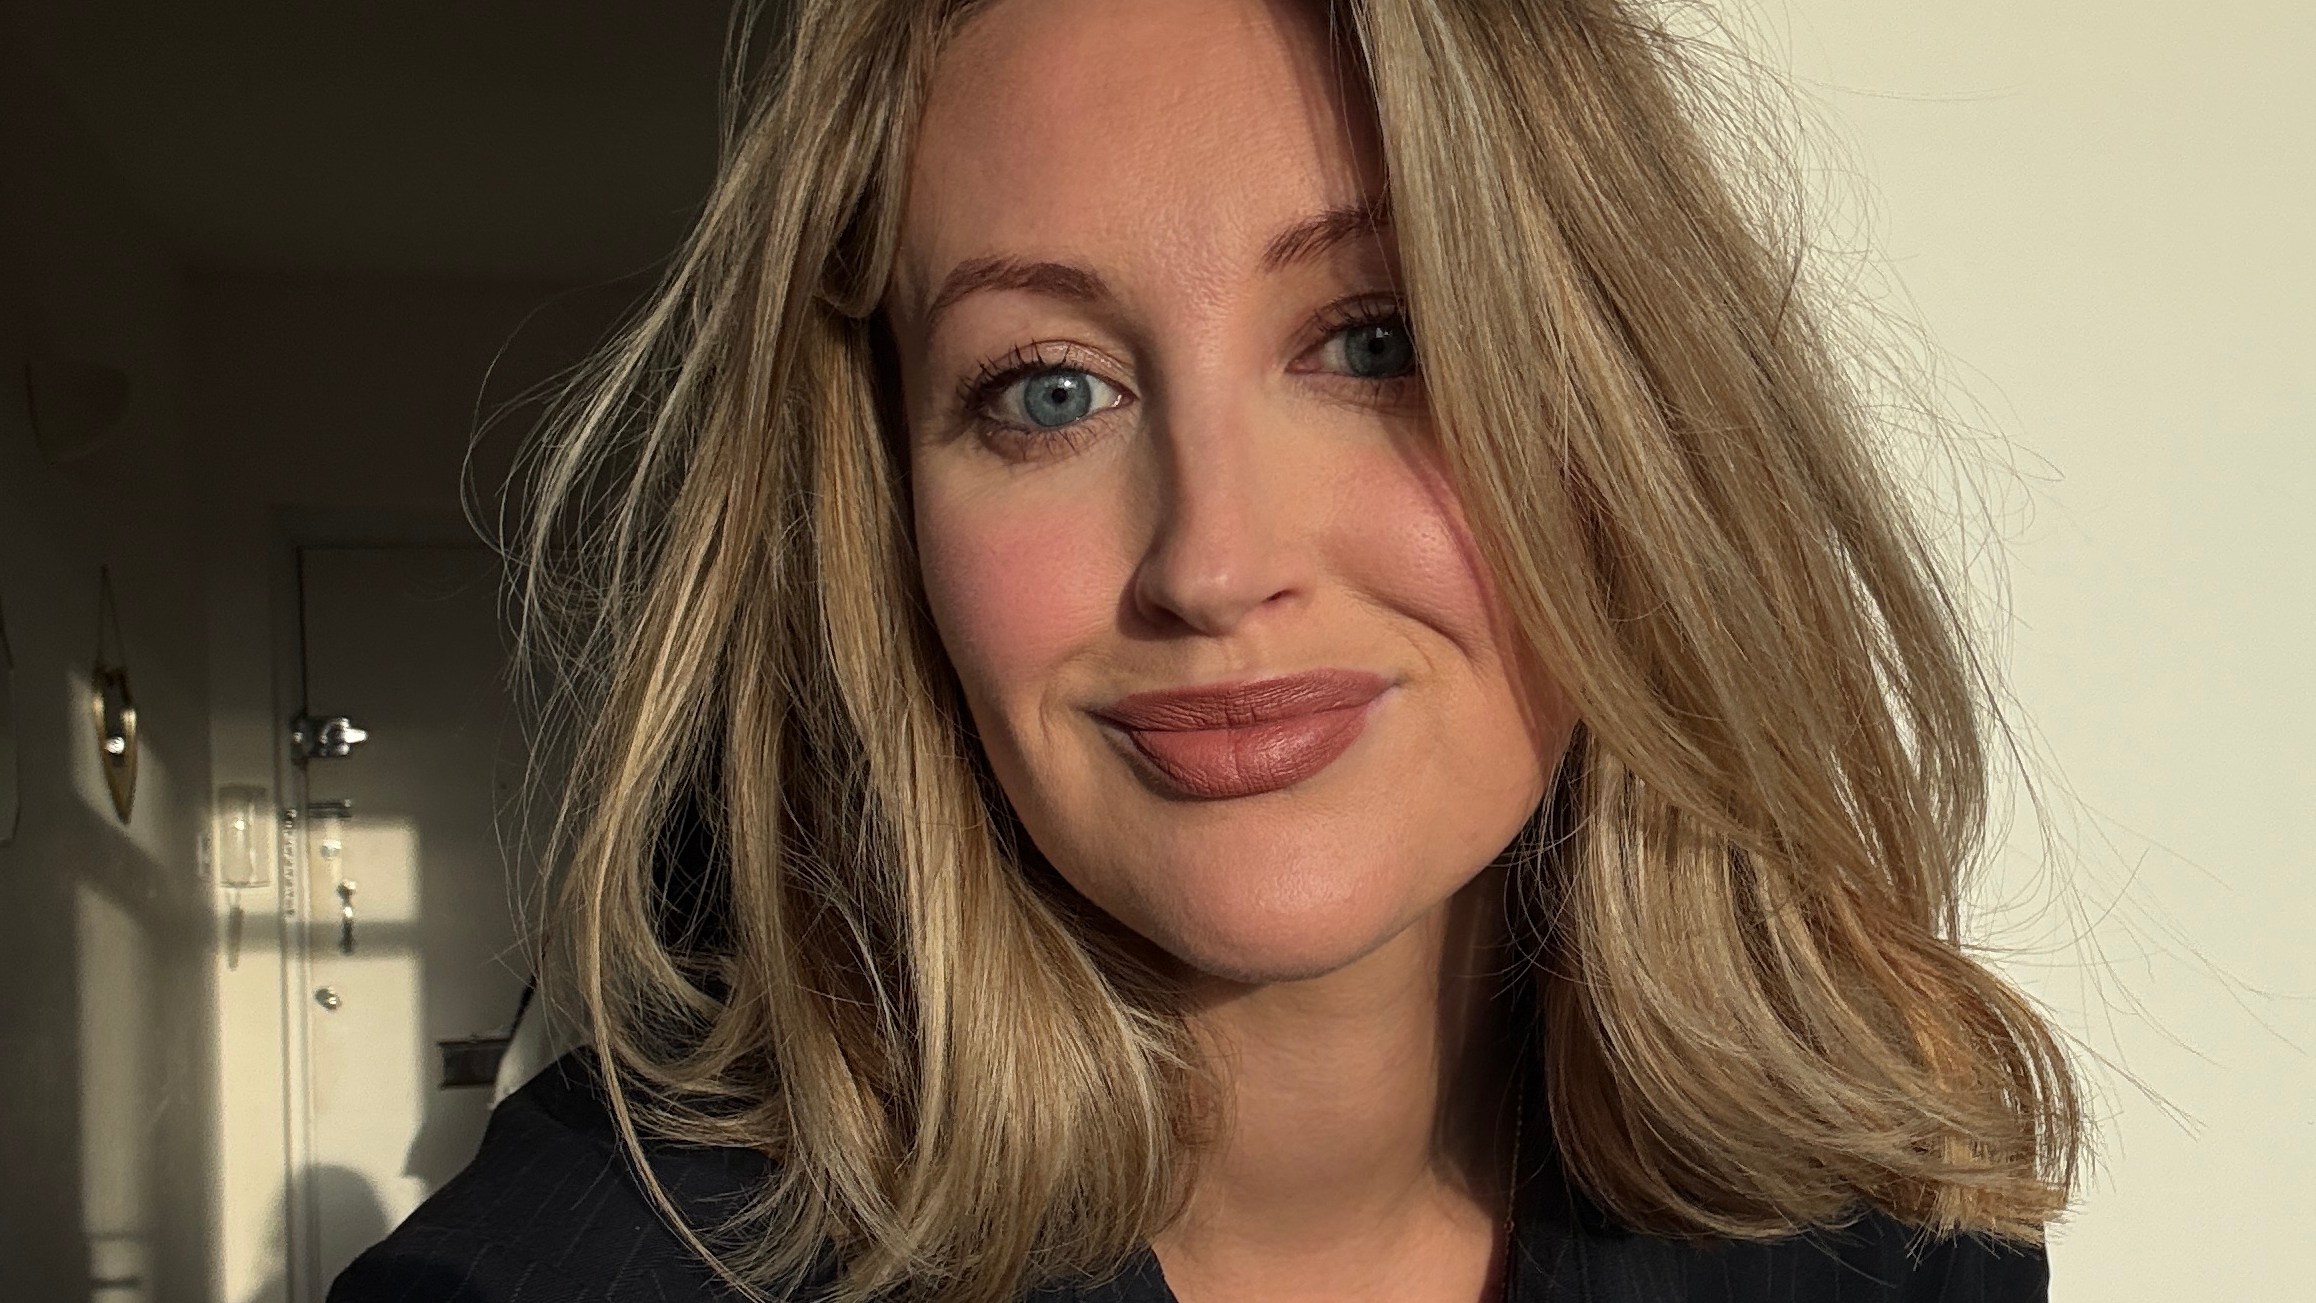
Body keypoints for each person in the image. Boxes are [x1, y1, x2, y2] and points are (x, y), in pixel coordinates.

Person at [332, 0, 2082, 1299]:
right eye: (1049, 390)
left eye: (1374, 338)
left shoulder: (1891, 1249)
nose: (1213, 562)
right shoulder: (572, 1274)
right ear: (889, 531)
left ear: (1631, 426)